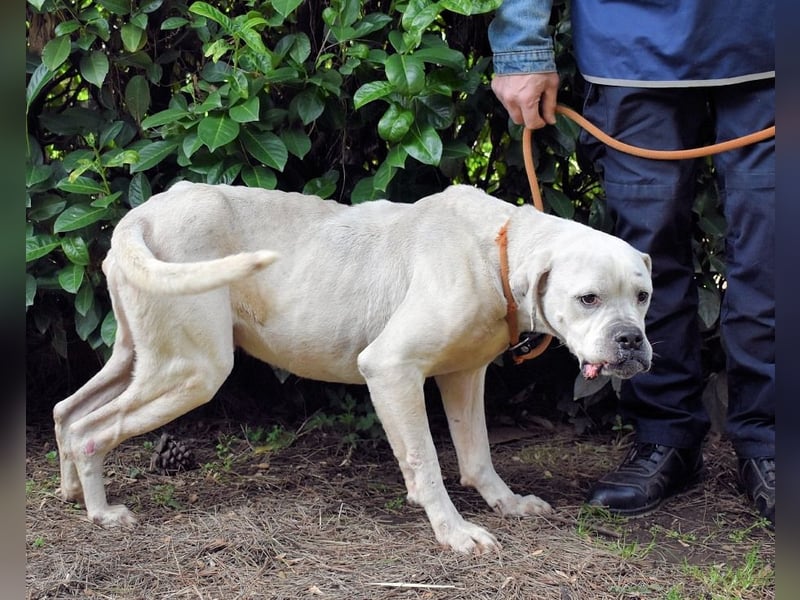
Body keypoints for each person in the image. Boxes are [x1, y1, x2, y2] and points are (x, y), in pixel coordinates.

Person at [488, 1, 775, 528]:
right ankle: (666, 438)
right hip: (632, 43)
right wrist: (522, 45)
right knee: (641, 263)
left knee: (776, 255)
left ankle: (773, 443)